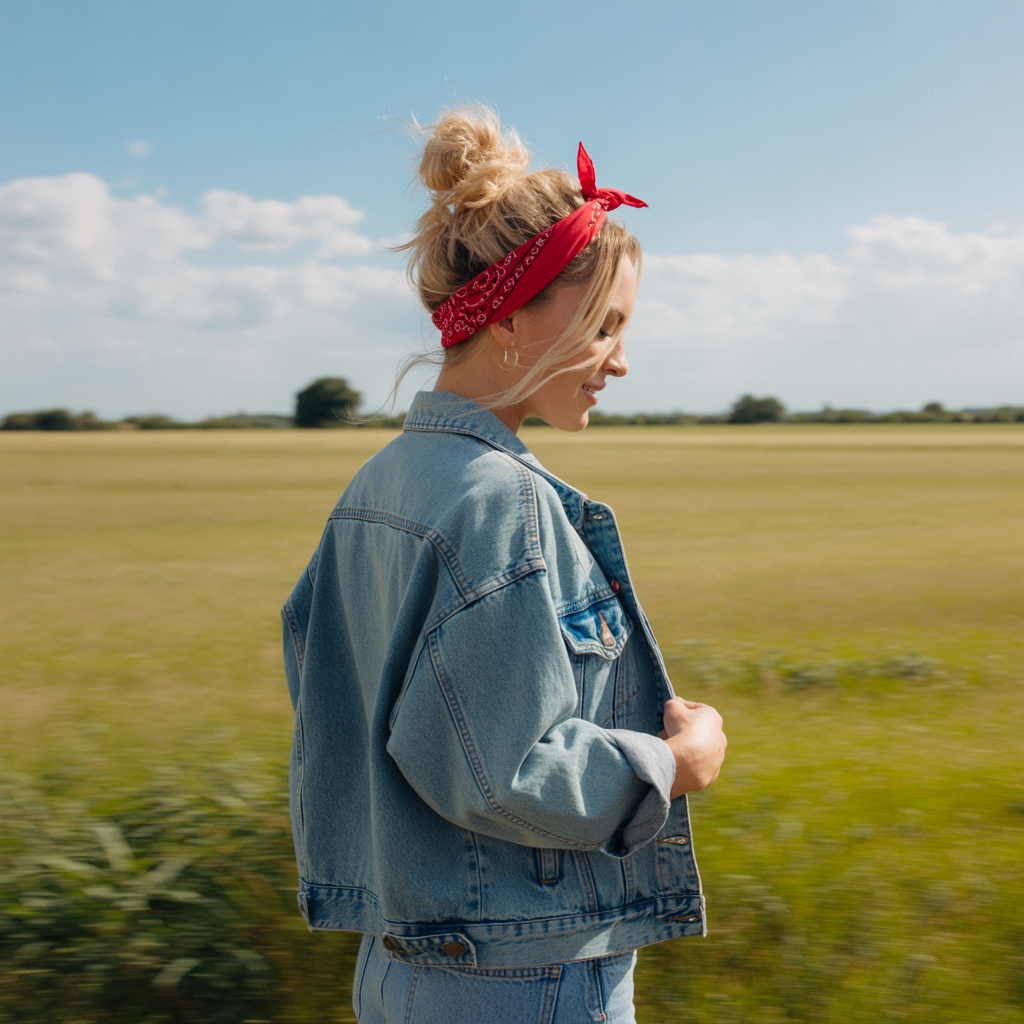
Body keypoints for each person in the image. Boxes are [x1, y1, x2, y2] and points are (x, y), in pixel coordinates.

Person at [282, 108, 727, 1024]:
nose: (621, 361)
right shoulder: (502, 501)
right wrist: (672, 764)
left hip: (401, 967)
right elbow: (502, 770)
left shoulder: (381, 482)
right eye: (604, 326)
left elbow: (335, 691)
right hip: (524, 979)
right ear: (514, 318)